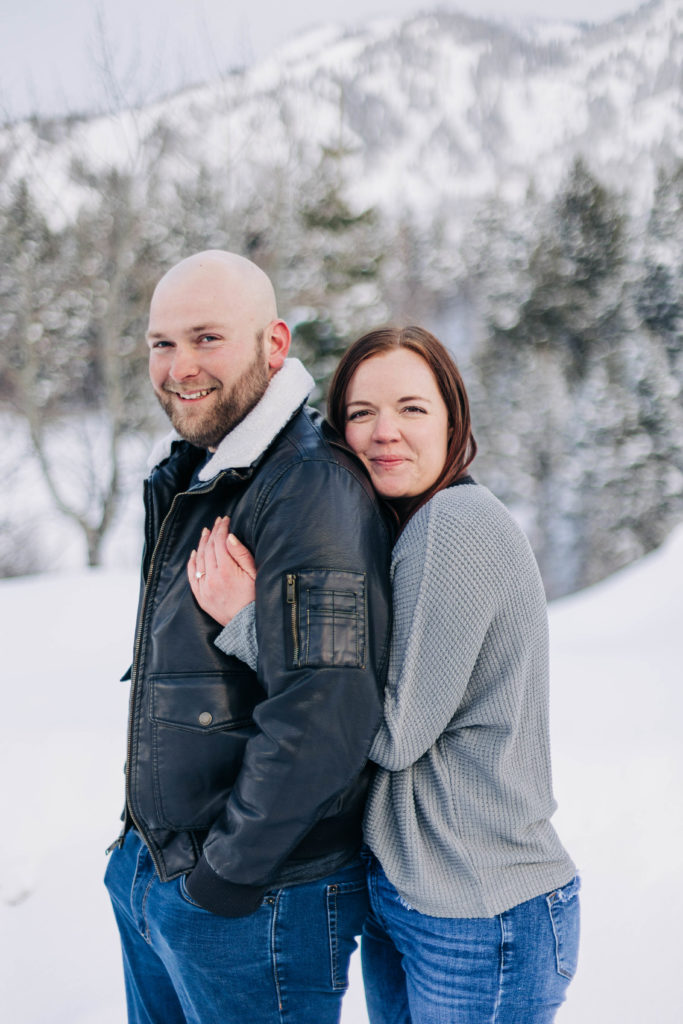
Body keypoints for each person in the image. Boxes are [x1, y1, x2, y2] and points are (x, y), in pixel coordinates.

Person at [204, 325, 580, 1023]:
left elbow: (389, 734)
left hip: (478, 908)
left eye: (411, 408)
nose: (385, 432)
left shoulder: (453, 523)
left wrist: (251, 624)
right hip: (415, 897)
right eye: (360, 412)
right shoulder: (406, 530)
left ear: (451, 420)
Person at [104, 250, 392, 1024]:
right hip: (160, 870)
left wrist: (224, 877)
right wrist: (143, 858)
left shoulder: (308, 487)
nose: (179, 366)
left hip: (258, 898)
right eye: (162, 343)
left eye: (206, 338)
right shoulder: (202, 471)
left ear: (274, 344)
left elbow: (326, 709)